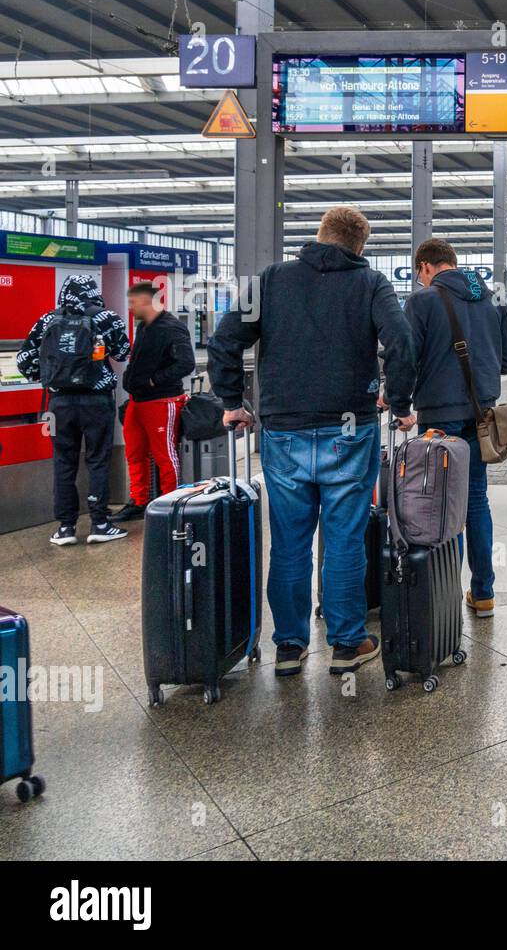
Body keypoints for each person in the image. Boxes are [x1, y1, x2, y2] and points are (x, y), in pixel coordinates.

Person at [208, 206, 417, 678]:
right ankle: (346, 642)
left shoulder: (271, 279)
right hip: (350, 427)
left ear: (319, 236)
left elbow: (225, 341)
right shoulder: (370, 283)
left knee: (289, 542)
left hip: (283, 429)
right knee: (344, 538)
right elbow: (401, 341)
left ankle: (289, 646)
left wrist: (232, 401)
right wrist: (400, 404)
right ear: (359, 246)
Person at [404, 237, 507, 619]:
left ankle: (443, 596)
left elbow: (406, 359)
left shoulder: (422, 301)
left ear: (425, 267)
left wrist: (400, 403)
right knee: (476, 501)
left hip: (438, 418)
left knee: (439, 506)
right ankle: (483, 594)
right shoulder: (493, 299)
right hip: (481, 416)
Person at [17, 274, 131, 545]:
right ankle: (100, 523)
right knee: (97, 460)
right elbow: (123, 352)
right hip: (97, 402)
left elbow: (25, 361)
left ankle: (65, 527)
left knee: (63, 461)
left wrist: (50, 375)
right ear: (93, 291)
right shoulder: (106, 317)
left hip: (59, 405)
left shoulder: (48, 320)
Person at [111, 282, 196, 522]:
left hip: (162, 400)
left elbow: (186, 364)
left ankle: (171, 503)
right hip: (138, 401)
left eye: (133, 303)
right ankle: (138, 501)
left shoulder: (172, 328)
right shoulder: (144, 328)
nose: (130, 308)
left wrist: (153, 381)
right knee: (135, 452)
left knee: (165, 454)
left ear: (147, 302)